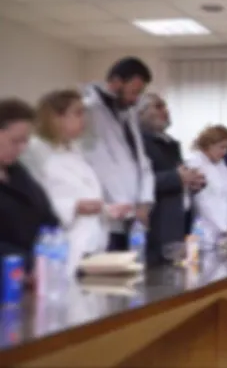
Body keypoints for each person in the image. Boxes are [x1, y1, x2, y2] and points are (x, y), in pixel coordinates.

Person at [21, 90, 133, 275]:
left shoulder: (74, 150)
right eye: (78, 113)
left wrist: (107, 209)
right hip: (62, 244)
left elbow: (81, 192)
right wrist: (74, 207)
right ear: (57, 118)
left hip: (92, 242)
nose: (84, 120)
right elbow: (35, 199)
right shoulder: (35, 150)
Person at [81, 57, 155, 251]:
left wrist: (144, 202)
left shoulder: (127, 114)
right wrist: (128, 208)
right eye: (133, 92)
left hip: (132, 217)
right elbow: (101, 166)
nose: (135, 99)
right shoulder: (90, 112)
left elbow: (142, 162)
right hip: (110, 216)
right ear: (116, 82)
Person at [139, 93, 205, 265]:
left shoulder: (171, 144)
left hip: (177, 227)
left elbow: (179, 178)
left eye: (165, 107)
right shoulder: (138, 143)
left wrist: (191, 182)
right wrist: (177, 177)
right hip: (154, 228)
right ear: (140, 112)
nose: (165, 111)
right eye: (158, 106)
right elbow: (138, 182)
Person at [0, 98, 58, 272]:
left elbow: (47, 217)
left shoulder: (18, 173)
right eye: (15, 141)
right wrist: (27, 262)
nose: (21, 148)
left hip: (35, 269)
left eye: (25, 141)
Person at [186, 125, 227, 247]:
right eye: (222, 147)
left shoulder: (222, 164)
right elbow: (202, 201)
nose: (225, 152)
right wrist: (223, 227)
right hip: (205, 231)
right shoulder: (194, 162)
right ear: (209, 145)